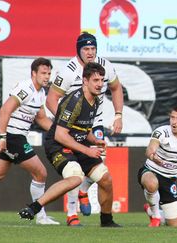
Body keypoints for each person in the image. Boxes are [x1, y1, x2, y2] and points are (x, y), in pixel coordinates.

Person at [18, 62, 121, 228]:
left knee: (106, 179)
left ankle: (107, 221)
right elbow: (60, 134)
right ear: (85, 81)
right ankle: (34, 207)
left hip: (77, 142)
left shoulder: (94, 100)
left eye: (102, 80)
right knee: (75, 178)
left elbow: (81, 127)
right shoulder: (75, 101)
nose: (100, 84)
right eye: (96, 80)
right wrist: (88, 150)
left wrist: (94, 140)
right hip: (58, 145)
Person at [46, 32, 124, 225]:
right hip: (71, 127)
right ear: (78, 50)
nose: (90, 53)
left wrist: (118, 114)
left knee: (99, 160)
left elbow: (116, 88)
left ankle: (84, 191)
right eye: (86, 49)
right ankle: (72, 213)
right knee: (74, 169)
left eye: (93, 49)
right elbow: (51, 100)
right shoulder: (68, 71)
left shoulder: (104, 66)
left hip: (93, 123)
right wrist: (66, 123)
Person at [0, 58, 58, 225]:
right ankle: (40, 216)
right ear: (34, 73)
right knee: (41, 173)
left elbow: (41, 119)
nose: (46, 77)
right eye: (43, 73)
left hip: (15, 137)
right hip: (11, 137)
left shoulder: (40, 93)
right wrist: (3, 137)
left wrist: (59, 132)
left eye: (48, 73)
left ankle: (41, 216)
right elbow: (4, 111)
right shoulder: (26, 88)